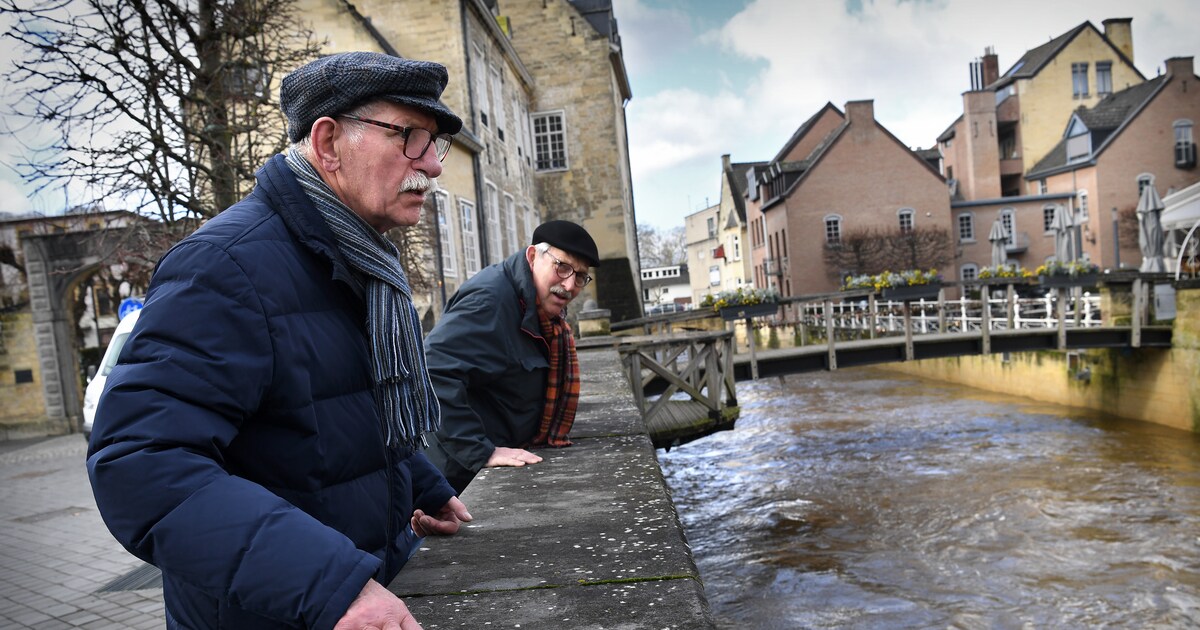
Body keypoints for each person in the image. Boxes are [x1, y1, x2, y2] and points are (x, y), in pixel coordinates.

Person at [87, 51, 472, 630]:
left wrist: (419, 483)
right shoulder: (226, 266)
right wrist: (330, 584)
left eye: (432, 143)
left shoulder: (353, 257)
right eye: (410, 137)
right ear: (327, 143)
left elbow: (325, 415)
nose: (432, 166)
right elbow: (140, 465)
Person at [423, 219, 599, 493]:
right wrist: (480, 451)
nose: (569, 284)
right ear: (532, 256)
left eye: (579, 276)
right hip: (457, 476)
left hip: (477, 469)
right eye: (562, 267)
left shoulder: (538, 309)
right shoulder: (490, 302)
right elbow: (431, 372)